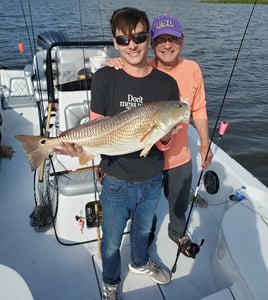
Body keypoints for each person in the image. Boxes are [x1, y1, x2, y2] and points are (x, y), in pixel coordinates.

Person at [54, 8, 179, 300]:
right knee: (110, 243)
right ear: (114, 42)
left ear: (149, 38)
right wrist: (77, 147)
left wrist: (168, 137)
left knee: (142, 231)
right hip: (115, 179)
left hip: (151, 178)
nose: (132, 45)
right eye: (124, 40)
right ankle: (110, 282)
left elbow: (165, 143)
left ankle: (139, 262)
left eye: (138, 37)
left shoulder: (167, 85)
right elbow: (97, 125)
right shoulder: (105, 77)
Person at [106, 14, 213, 258]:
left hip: (180, 155)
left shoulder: (193, 69)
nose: (167, 45)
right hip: (148, 158)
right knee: (147, 208)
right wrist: (114, 63)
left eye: (172, 39)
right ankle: (146, 234)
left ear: (182, 40)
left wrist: (205, 143)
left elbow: (199, 107)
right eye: (161, 39)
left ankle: (177, 232)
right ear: (152, 42)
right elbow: (124, 74)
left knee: (178, 203)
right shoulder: (143, 68)